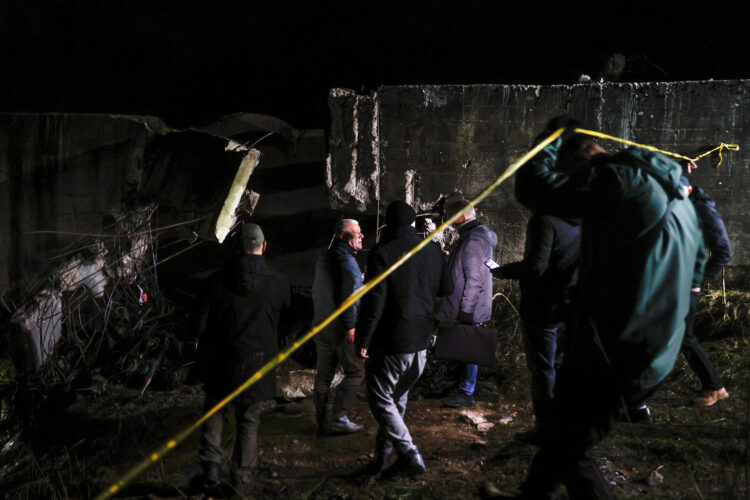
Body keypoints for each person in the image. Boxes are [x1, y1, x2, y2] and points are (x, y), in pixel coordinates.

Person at [496, 117, 706, 499]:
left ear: (575, 159)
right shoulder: (672, 191)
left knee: (569, 445)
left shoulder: (618, 182)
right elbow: (698, 263)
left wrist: (546, 146)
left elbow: (535, 191)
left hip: (622, 342)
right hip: (649, 337)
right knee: (562, 431)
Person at [355, 201, 452, 476]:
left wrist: (363, 339)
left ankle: (410, 455)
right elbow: (447, 287)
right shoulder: (433, 249)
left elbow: (374, 301)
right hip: (421, 339)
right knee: (397, 400)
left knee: (380, 399)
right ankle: (382, 462)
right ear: (412, 224)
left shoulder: (382, 253)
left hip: (392, 341)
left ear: (388, 224)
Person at [193, 223, 291, 494]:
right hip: (259, 361)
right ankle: (241, 479)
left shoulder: (215, 281)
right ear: (264, 246)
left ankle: (211, 469)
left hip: (221, 358)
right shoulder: (279, 282)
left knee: (215, 409)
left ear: (237, 247)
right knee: (248, 418)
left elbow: (198, 326)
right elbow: (285, 323)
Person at [491, 211, 580, 441]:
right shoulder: (583, 217)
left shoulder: (545, 220)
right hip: (570, 304)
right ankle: (566, 422)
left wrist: (505, 271)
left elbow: (536, 267)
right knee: (561, 366)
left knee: (543, 369)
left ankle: (546, 428)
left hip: (543, 306)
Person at [436, 198, 498, 408]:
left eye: (451, 219)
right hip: (468, 305)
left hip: (468, 307)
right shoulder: (474, 237)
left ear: (461, 217)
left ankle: (466, 392)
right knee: (466, 348)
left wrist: (466, 311)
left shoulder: (472, 241)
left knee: (469, 347)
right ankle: (464, 387)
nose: (449, 224)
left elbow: (474, 279)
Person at [680, 172, 731, 406]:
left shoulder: (704, 211)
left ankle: (714, 387)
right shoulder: (686, 206)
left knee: (683, 335)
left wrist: (697, 281)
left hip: (687, 285)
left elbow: (723, 252)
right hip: (676, 282)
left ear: (689, 190)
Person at [311, 219, 366, 434]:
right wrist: (350, 326)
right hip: (339, 326)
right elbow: (348, 297)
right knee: (356, 372)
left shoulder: (323, 258)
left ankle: (321, 423)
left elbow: (317, 291)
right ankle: (339, 418)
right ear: (343, 237)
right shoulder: (347, 262)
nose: (361, 236)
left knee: (323, 373)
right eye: (356, 233)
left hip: (320, 320)